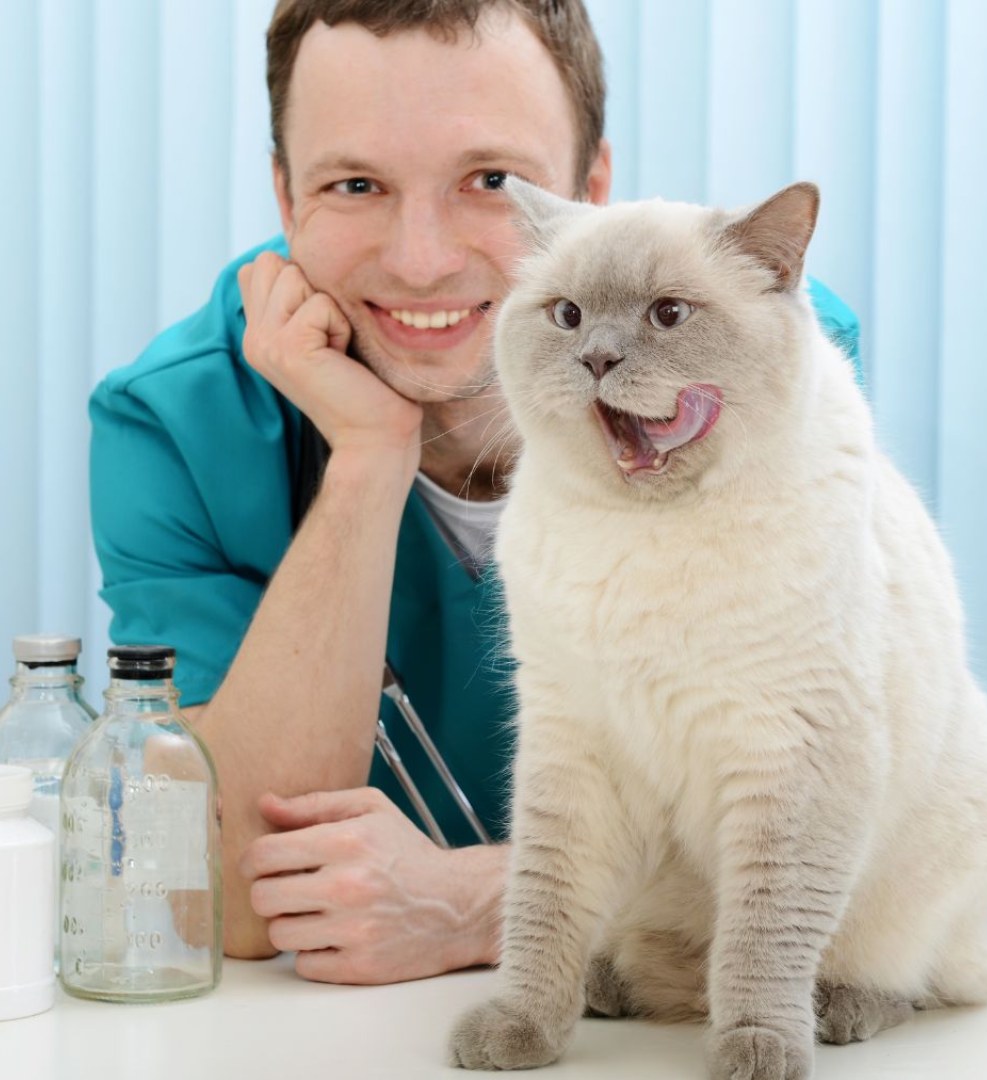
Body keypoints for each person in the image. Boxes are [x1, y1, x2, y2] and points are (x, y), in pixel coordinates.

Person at [90, 0, 861, 986]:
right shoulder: (174, 423)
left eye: (492, 181)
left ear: (592, 189)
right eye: (355, 182)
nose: (421, 260)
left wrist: (476, 905)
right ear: (286, 200)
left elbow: (806, 829)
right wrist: (371, 457)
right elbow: (228, 900)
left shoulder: (756, 371)